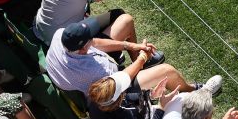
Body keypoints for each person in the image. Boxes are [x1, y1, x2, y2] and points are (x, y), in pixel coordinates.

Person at [45, 16, 219, 97]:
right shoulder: (96, 70)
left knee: (126, 20)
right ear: (83, 49)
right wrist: (142, 59)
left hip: (75, 77)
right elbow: (123, 77)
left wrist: (131, 46)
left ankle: (141, 59)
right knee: (168, 71)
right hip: (113, 91)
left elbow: (94, 42)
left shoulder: (61, 35)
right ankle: (195, 91)